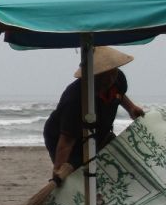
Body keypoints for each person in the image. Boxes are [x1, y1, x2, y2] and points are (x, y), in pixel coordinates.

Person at [43, 46, 145, 186]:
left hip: (98, 132)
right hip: (65, 137)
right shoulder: (75, 98)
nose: (108, 80)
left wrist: (131, 108)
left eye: (112, 74)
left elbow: (119, 95)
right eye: (102, 76)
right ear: (90, 75)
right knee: (73, 173)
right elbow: (66, 141)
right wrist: (57, 171)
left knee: (102, 169)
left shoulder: (118, 79)